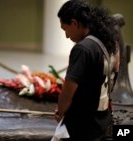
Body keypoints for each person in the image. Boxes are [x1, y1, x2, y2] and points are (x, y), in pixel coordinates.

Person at [54, 0, 119, 141]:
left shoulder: (83, 48)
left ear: (74, 23)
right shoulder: (109, 42)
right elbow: (116, 70)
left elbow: (68, 90)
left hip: (82, 126)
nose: (66, 36)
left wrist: (60, 112)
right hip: (102, 120)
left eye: (65, 30)